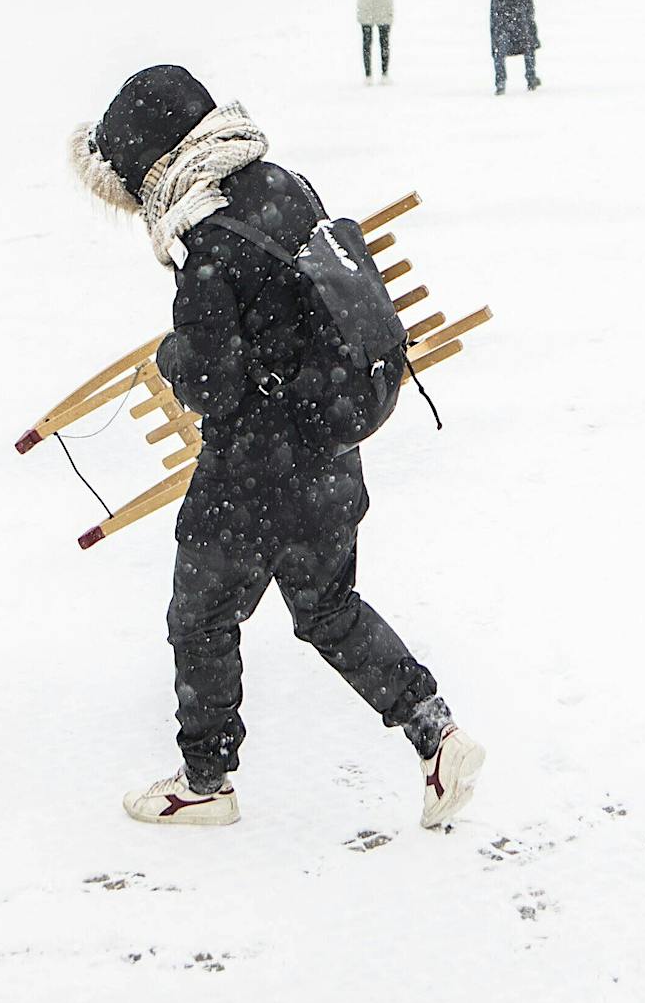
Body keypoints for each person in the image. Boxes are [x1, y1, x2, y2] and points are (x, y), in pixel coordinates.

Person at [69, 64, 485, 830]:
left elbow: (210, 387)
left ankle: (205, 782)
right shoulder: (284, 185)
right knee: (329, 609)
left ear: (157, 164)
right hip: (329, 449)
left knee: (199, 621)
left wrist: (173, 358)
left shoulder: (208, 244)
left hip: (250, 474)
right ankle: (436, 732)